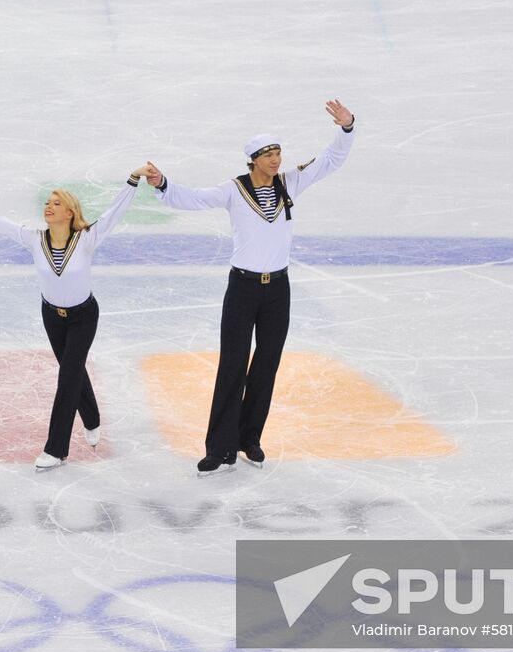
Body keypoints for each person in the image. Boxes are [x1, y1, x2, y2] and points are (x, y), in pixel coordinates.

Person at [144, 100, 356, 476]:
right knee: (232, 365)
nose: (275, 160)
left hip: (278, 289)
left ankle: (249, 438)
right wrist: (163, 185)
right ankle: (219, 447)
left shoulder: (290, 182)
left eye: (277, 153)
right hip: (242, 289)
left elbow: (329, 162)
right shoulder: (233, 190)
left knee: (267, 365)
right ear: (253, 159)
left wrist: (346, 128)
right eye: (268, 154)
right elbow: (193, 198)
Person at [0, 167, 147, 472]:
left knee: (67, 378)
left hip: (83, 317)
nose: (48, 207)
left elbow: (114, 213)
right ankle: (92, 418)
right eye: (47, 202)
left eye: (56, 203)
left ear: (70, 212)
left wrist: (132, 180)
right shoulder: (33, 238)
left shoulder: (87, 238)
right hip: (52, 316)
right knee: (73, 371)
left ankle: (57, 449)